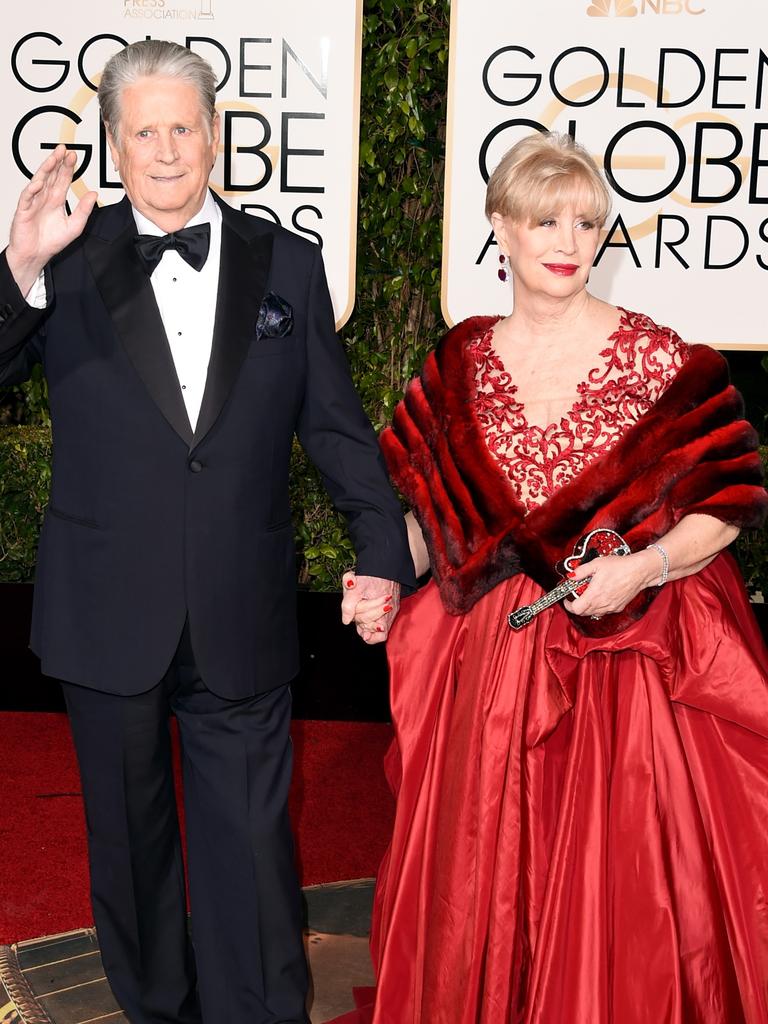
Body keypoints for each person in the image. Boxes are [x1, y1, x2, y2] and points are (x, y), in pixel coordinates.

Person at [0, 39, 414, 1024]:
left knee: (252, 851)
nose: (167, 148)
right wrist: (19, 261)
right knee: (132, 853)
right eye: (143, 131)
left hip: (241, 605)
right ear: (113, 145)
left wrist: (383, 554)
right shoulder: (65, 258)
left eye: (183, 126)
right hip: (105, 611)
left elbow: (338, 431)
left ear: (217, 135)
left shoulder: (290, 264)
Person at [339, 132, 768, 1023]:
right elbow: (433, 524)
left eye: (585, 220)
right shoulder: (458, 362)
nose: (568, 240)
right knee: (483, 885)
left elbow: (726, 505)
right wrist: (384, 577)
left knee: (622, 895)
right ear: (501, 227)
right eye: (545, 219)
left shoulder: (661, 361)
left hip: (627, 673)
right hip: (492, 669)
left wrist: (646, 564)